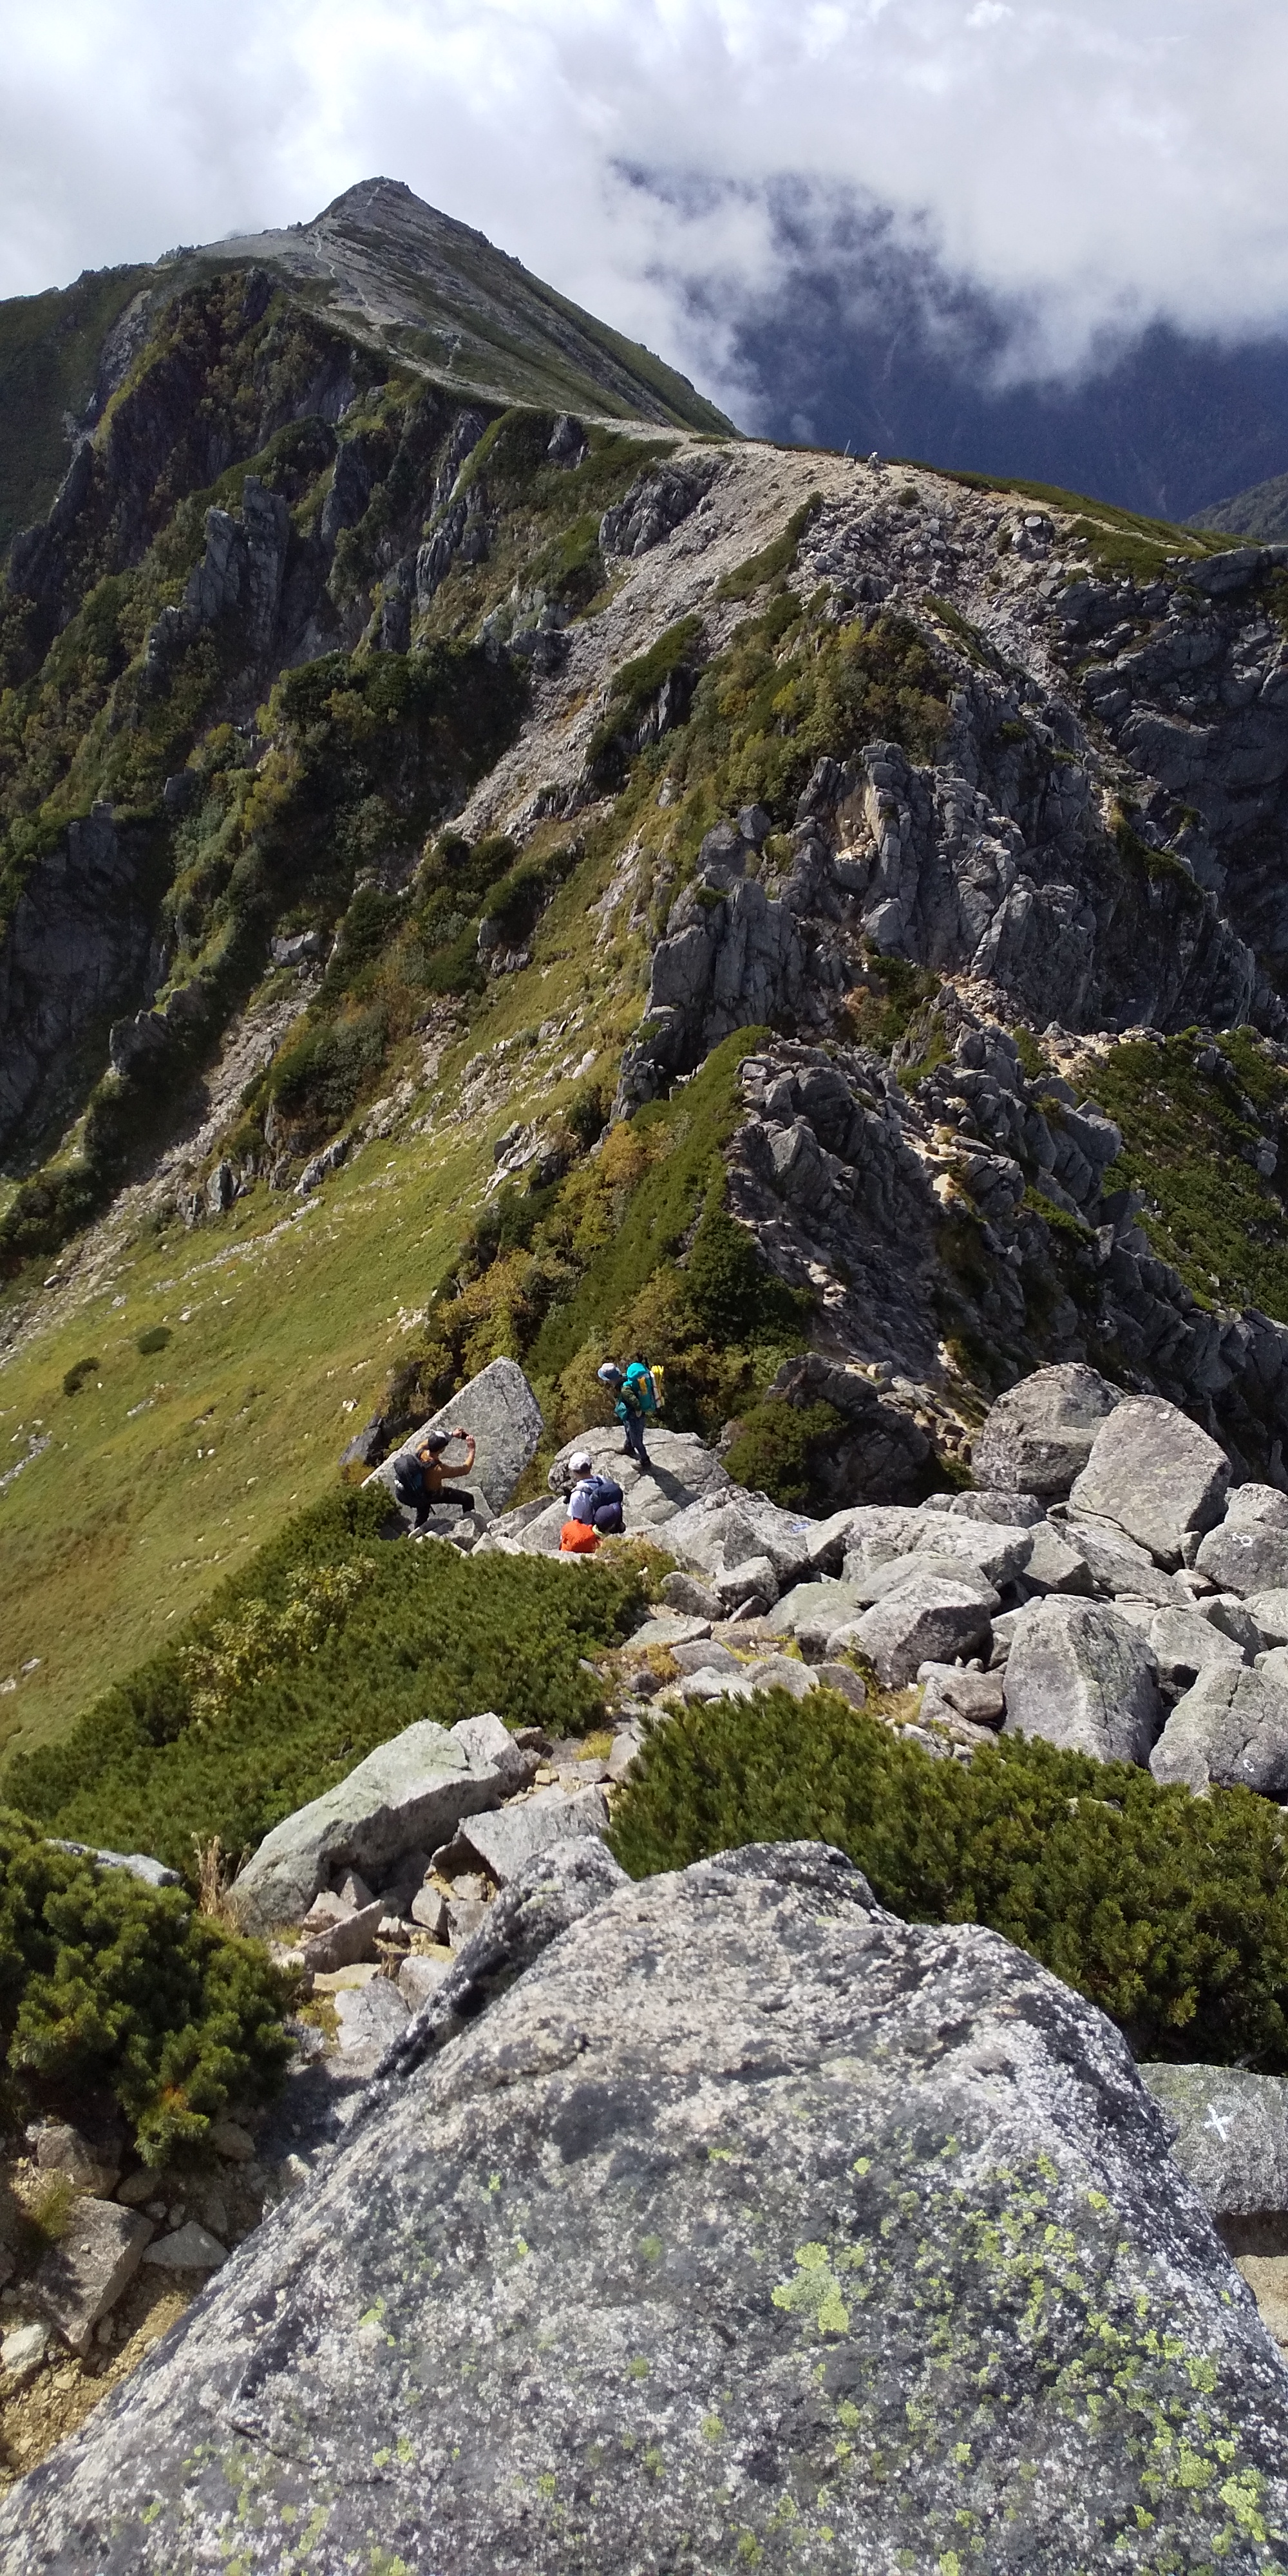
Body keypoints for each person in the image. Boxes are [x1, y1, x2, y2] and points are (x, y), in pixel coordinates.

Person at [393, 1427, 477, 1528]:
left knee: (423, 1509)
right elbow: (465, 1470)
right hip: (433, 1495)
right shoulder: (439, 1469)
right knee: (467, 1498)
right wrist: (472, 1450)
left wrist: (452, 1434)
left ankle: (417, 1535)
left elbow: (429, 1442)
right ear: (442, 1450)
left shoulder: (421, 1450)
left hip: (415, 1493)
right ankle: (470, 1526)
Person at [597, 1360, 651, 1470]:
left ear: (609, 1379)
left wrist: (638, 1412)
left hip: (635, 1417)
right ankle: (628, 1448)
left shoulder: (624, 1389)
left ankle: (645, 1461)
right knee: (628, 1431)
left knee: (637, 1441)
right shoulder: (624, 1378)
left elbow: (636, 1403)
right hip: (629, 1416)